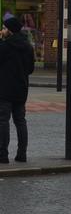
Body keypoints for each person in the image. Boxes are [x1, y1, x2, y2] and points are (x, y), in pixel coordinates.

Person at [0, 16, 35, 164]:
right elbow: (31, 69)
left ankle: (2, 154)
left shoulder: (5, 46)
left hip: (4, 90)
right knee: (20, 121)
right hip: (21, 89)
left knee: (3, 121)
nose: (2, 31)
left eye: (4, 28)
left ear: (10, 30)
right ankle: (22, 154)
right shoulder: (28, 46)